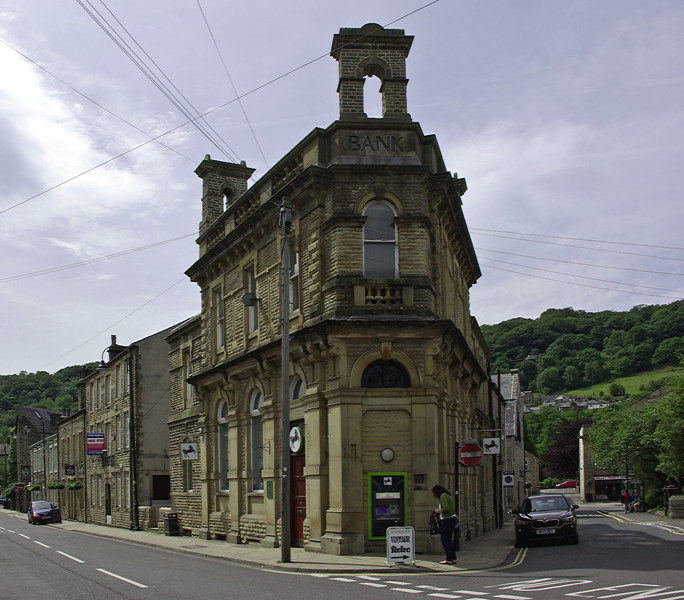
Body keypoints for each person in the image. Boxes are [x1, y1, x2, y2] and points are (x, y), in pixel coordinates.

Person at [432, 484, 457, 565]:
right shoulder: (448, 496)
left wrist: (438, 511)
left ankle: (449, 559)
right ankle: (453, 558)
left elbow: (446, 508)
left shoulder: (443, 496)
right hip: (452, 519)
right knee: (449, 540)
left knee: (444, 540)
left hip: (447, 520)